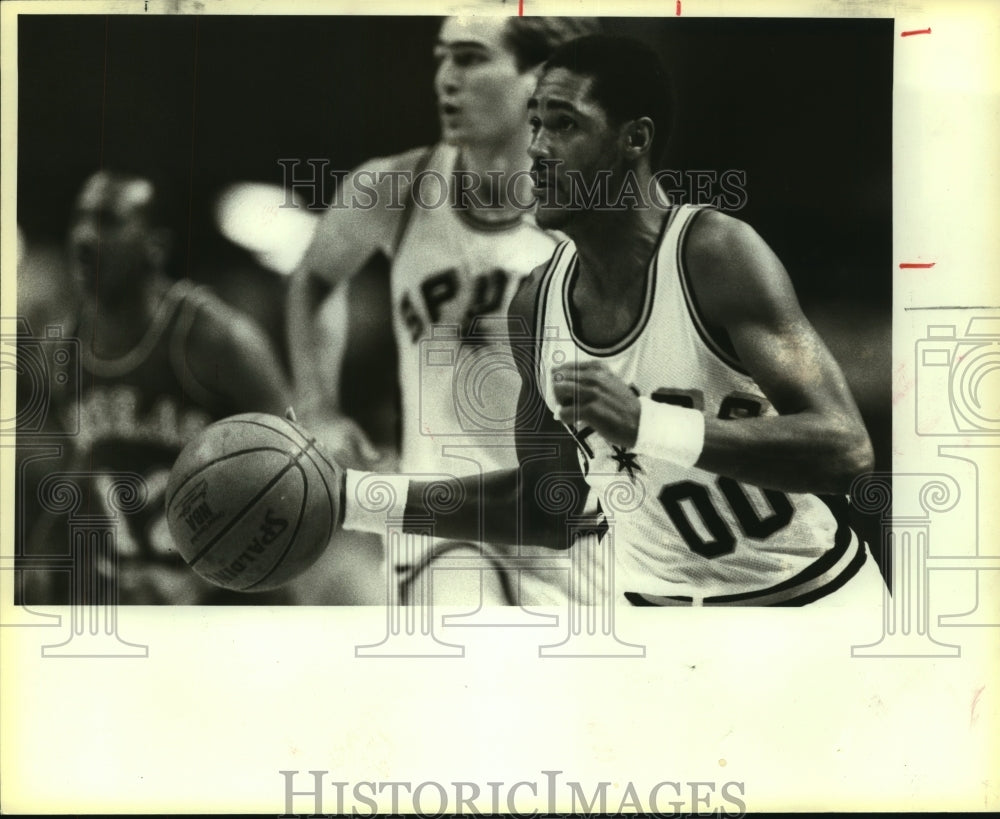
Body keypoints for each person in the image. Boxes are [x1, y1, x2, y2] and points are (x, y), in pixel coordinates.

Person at [337, 34, 885, 606]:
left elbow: (846, 453)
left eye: (565, 125)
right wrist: (351, 499)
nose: (538, 150)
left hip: (813, 600)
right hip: (665, 628)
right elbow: (547, 509)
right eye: (534, 125)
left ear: (634, 140)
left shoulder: (715, 254)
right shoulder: (534, 304)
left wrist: (646, 424)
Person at [287, 16, 598, 606]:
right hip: (438, 522)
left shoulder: (594, 218)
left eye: (470, 58)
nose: (445, 79)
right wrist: (319, 406)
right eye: (442, 57)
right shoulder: (394, 188)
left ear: (540, 78)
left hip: (568, 527)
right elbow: (314, 277)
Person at [22, 170, 293, 605]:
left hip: (232, 604)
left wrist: (208, 579)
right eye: (80, 219)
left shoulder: (216, 339)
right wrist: (43, 553)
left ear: (155, 245)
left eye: (109, 221)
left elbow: (302, 482)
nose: (85, 236)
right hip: (133, 597)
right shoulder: (63, 347)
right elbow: (86, 463)